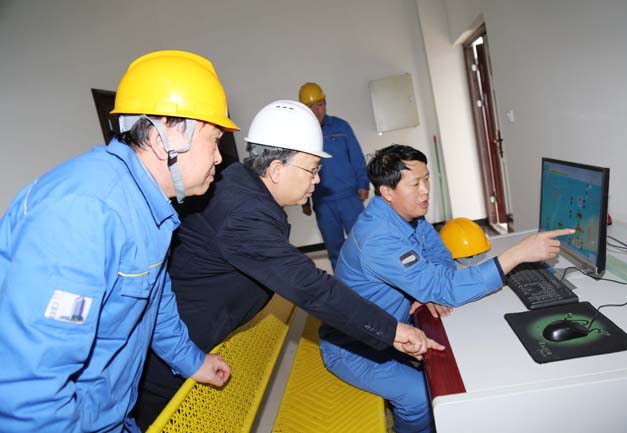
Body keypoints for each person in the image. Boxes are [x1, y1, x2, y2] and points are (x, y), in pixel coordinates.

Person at [134, 101, 439, 429]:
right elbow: (312, 288)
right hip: (166, 366)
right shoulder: (243, 213)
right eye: (312, 170)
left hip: (189, 347)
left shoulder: (241, 185)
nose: (317, 181)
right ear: (277, 169)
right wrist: (392, 331)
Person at [0, 50, 237, 433]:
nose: (219, 158)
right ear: (165, 137)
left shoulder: (149, 207)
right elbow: (32, 388)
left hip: (111, 416)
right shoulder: (86, 212)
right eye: (214, 140)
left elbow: (152, 302)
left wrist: (192, 361)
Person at [319, 144, 575, 433]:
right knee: (420, 398)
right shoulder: (378, 238)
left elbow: (440, 255)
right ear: (387, 192)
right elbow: (444, 286)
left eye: (427, 179)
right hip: (354, 346)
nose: (425, 190)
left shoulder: (407, 214)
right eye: (415, 183)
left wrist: (425, 288)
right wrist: (516, 255)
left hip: (392, 328)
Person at [299, 82, 369, 270]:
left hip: (350, 198)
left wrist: (363, 183)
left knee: (363, 244)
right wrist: (304, 201)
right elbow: (300, 168)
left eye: (319, 104)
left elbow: (356, 156)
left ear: (325, 103)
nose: (316, 110)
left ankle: (371, 279)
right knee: (335, 250)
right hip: (323, 203)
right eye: (310, 106)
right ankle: (342, 284)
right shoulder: (301, 135)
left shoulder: (341, 127)